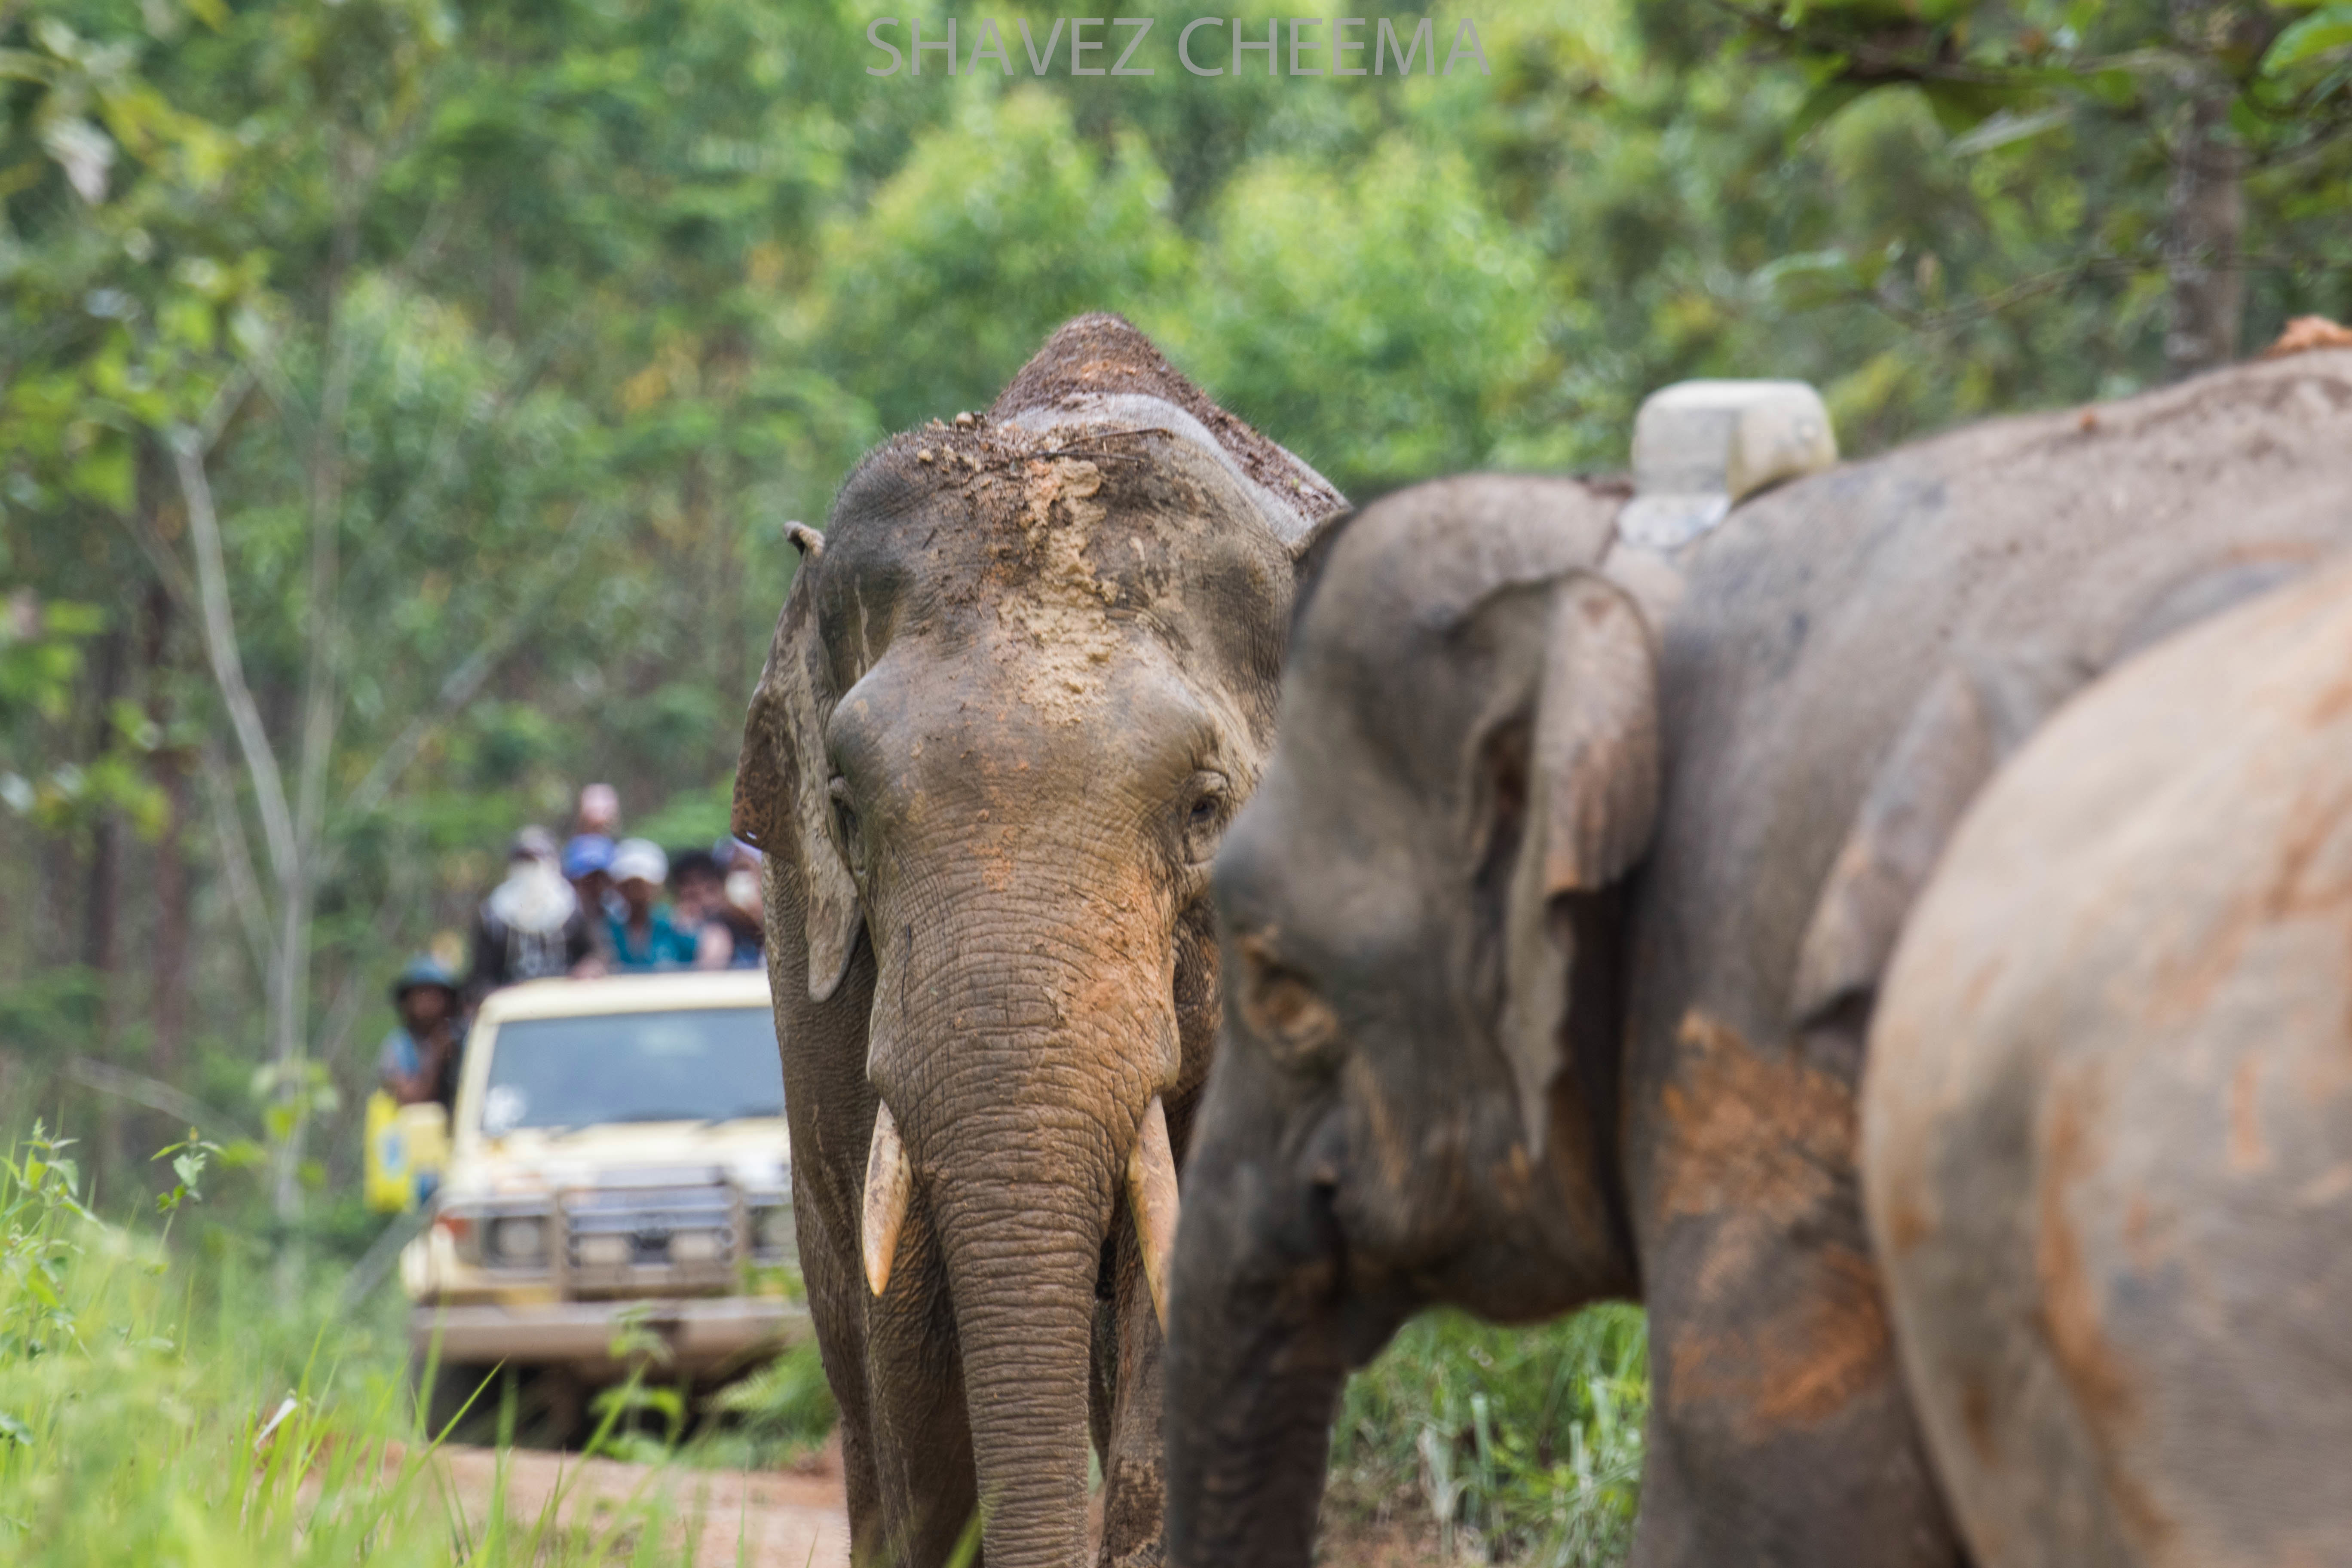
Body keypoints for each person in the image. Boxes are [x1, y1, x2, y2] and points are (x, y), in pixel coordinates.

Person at [464, 826, 595, 1006]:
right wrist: (500, 996)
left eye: (535, 860)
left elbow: (595, 955)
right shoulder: (492, 916)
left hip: (567, 1007)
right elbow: (480, 979)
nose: (529, 869)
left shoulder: (572, 907)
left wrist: (588, 969)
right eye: (522, 861)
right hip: (517, 1012)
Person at [377, 957, 465, 1109]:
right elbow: (411, 1101)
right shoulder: (398, 1046)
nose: (429, 1002)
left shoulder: (462, 1038)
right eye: (422, 993)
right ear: (407, 1001)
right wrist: (436, 1056)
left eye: (436, 994)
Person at [606, 838, 698, 971]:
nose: (636, 893)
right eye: (629, 885)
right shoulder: (607, 930)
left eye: (642, 886)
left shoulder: (678, 927)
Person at [670, 847, 738, 970]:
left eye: (707, 885)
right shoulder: (668, 926)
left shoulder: (741, 921)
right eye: (688, 883)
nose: (697, 889)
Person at [563, 832, 618, 970]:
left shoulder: (618, 918)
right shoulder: (562, 924)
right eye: (586, 879)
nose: (594, 887)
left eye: (600, 879)